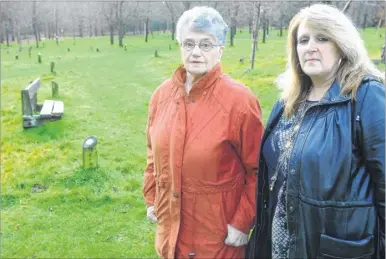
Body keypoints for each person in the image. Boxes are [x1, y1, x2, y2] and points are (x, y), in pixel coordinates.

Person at [246, 3, 385, 259]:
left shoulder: (366, 96)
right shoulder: (287, 102)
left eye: (322, 38)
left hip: (335, 248)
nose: (310, 47)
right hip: (281, 242)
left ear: (342, 45)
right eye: (303, 40)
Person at [142, 6, 264, 259]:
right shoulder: (161, 95)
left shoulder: (239, 101)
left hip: (216, 237)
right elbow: (153, 153)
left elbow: (259, 169)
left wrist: (242, 221)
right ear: (180, 47)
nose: (195, 52)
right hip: (170, 231)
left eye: (205, 45)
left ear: (220, 50)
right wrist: (152, 194)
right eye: (188, 44)